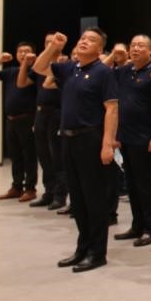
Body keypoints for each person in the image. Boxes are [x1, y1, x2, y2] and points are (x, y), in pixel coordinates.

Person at [33, 29, 119, 272]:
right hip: (68, 139)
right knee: (78, 200)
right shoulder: (71, 68)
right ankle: (82, 248)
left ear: (100, 49)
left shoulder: (103, 72)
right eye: (82, 38)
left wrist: (107, 144)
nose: (84, 41)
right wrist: (54, 47)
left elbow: (112, 109)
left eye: (91, 40)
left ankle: (97, 253)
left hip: (90, 139)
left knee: (93, 199)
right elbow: (39, 67)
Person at [108, 35, 151, 247]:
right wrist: (114, 56)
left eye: (141, 45)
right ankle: (137, 225)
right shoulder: (124, 71)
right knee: (132, 185)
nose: (135, 48)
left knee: (148, 187)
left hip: (146, 138)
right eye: (132, 45)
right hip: (126, 137)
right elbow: (103, 72)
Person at [0, 42, 38, 201]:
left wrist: (27, 64)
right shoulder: (11, 71)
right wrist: (0, 61)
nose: (23, 54)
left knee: (29, 155)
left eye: (27, 51)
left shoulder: (35, 71)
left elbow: (23, 84)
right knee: (15, 156)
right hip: (11, 119)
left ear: (33, 55)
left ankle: (30, 188)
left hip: (27, 118)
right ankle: (16, 187)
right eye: (20, 51)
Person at [26, 34, 65, 209]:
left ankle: (60, 195)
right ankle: (48, 192)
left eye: (54, 42)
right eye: (48, 42)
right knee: (43, 155)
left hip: (57, 112)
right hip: (41, 112)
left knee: (57, 155)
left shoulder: (64, 64)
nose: (51, 44)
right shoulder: (41, 65)